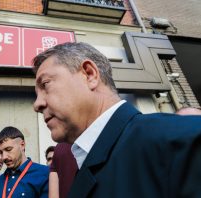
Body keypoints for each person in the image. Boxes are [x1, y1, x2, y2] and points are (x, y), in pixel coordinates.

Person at [33, 42, 201, 197]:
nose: (37, 104)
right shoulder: (81, 166)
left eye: (46, 84)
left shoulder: (185, 141)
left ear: (89, 74)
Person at [0, 126, 49, 198]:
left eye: (8, 149)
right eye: (0, 152)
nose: (4, 157)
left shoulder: (45, 174)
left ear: (22, 145)